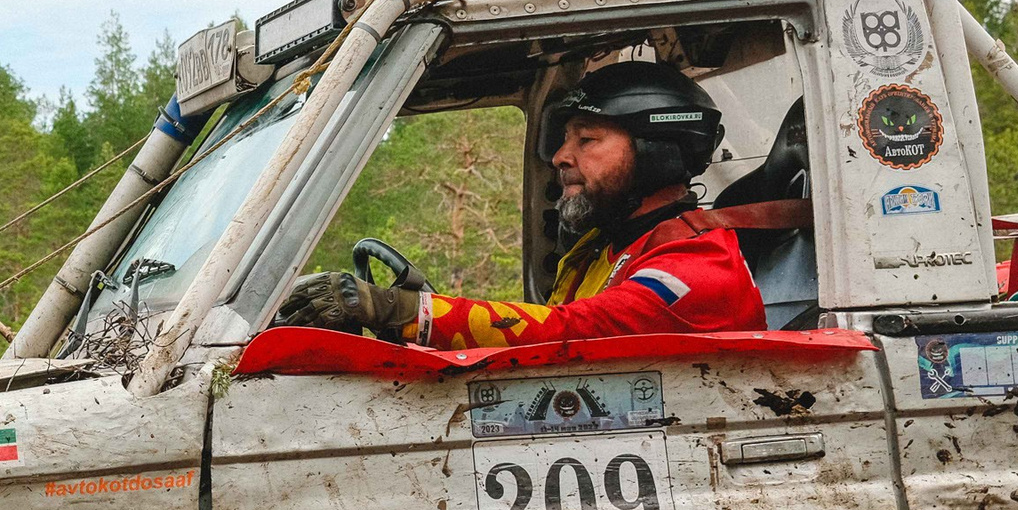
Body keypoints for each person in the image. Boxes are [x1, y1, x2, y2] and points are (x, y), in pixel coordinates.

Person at [278, 61, 769, 348]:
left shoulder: (699, 272)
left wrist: (396, 308)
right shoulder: (605, 251)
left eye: (588, 139)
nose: (560, 156)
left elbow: (571, 332)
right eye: (565, 139)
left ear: (656, 150)